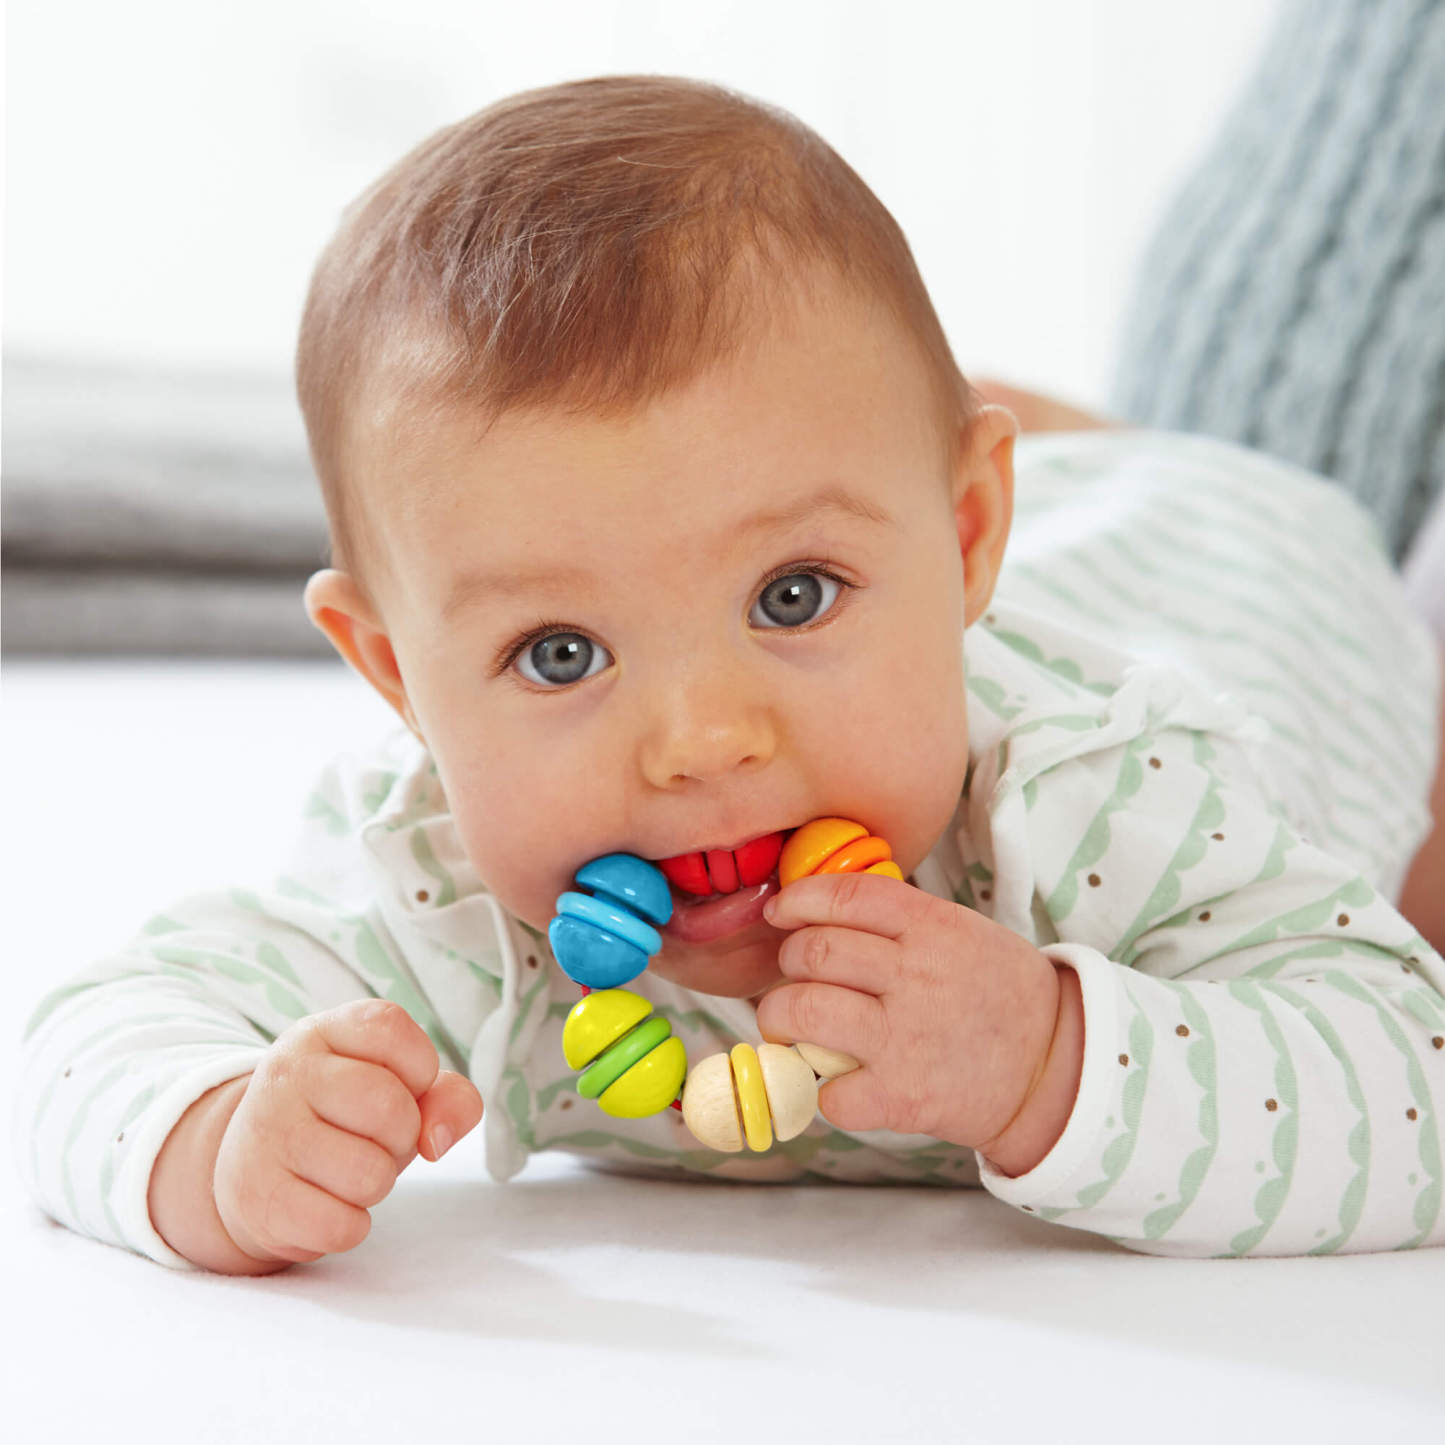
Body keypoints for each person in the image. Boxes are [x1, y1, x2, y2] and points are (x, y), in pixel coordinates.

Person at [14, 76, 1444, 1276]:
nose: (699, 741)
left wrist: (1050, 1055)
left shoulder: (1111, 800)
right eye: (558, 652)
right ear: (395, 674)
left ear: (962, 541)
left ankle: (1096, 458)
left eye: (790, 595)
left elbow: (1411, 1082)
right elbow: (90, 1035)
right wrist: (212, 1140)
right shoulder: (438, 891)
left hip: (1243, 577)